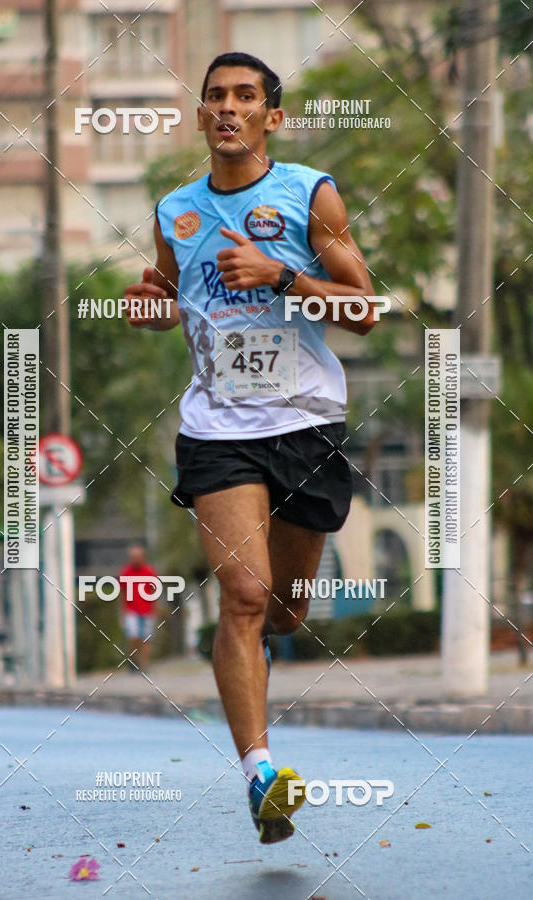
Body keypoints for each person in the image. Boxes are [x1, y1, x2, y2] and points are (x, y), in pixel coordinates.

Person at [124, 51, 378, 844]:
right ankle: (260, 773)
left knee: (284, 611)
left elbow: (367, 307)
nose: (228, 108)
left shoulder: (310, 193)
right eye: (214, 98)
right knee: (241, 595)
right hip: (217, 428)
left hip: (305, 424)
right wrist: (148, 304)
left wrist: (281, 276)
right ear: (201, 118)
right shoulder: (176, 209)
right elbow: (167, 295)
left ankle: (255, 672)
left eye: (246, 97)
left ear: (271, 116)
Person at [118, 546, 159, 672]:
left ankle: (144, 665)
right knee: (133, 637)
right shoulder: (126, 572)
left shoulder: (149, 572)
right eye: (133, 557)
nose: (135, 559)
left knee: (146, 639)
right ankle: (133, 660)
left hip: (147, 611)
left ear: (142, 557)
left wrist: (154, 610)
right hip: (131, 611)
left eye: (137, 557)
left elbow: (154, 592)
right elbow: (122, 593)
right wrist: (122, 611)